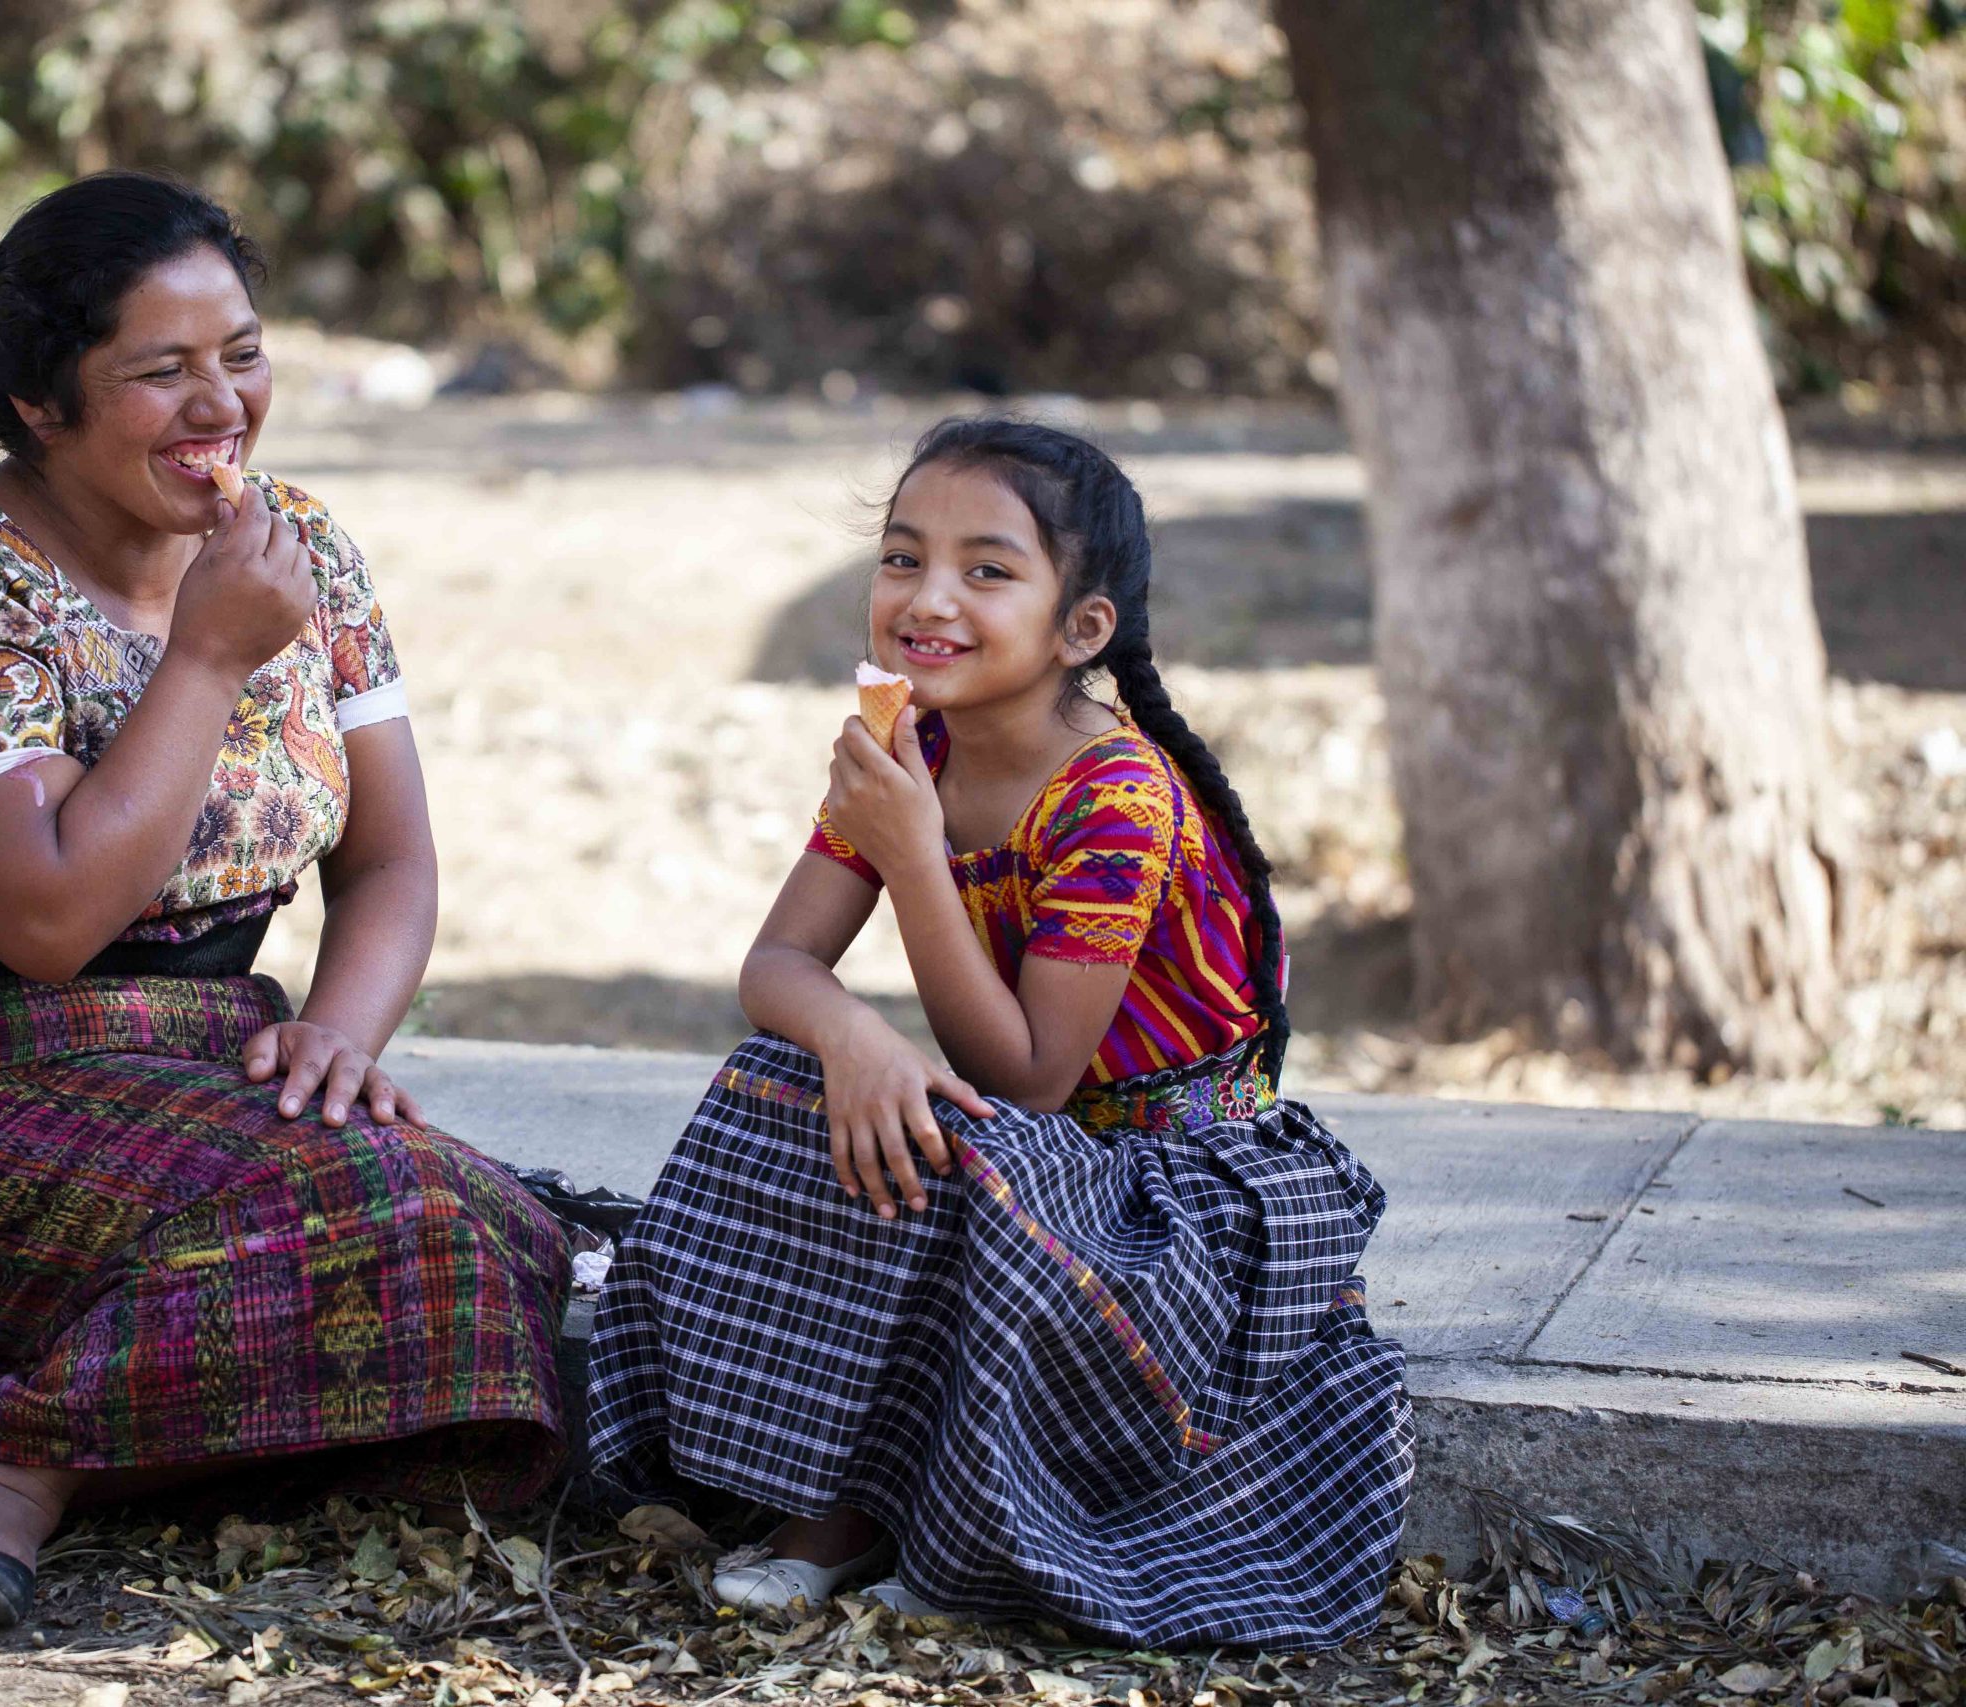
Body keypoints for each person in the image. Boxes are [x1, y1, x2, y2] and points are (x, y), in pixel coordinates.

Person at [0, 173, 568, 1626]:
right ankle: (19, 1473)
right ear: (43, 402)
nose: (219, 405)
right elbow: (46, 922)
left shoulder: (300, 549)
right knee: (380, 1211)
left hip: (193, 1058)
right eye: (159, 372)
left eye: (241, 352)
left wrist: (343, 1031)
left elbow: (394, 858)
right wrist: (208, 661)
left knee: (501, 1230)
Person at [581, 417, 1412, 1648]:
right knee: (785, 1085)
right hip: (1038, 1157)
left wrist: (913, 853)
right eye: (902, 558)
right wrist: (859, 1039)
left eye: (987, 570)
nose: (928, 600)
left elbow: (1025, 1076)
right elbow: (776, 966)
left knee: (968, 1149)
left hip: (1174, 1190)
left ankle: (944, 1529)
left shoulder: (1117, 801)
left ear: (1082, 630)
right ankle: (831, 1504)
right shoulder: (904, 742)